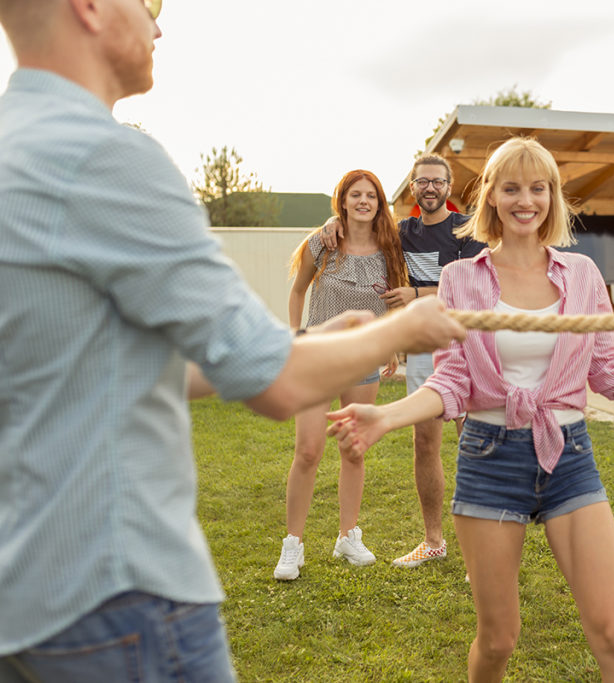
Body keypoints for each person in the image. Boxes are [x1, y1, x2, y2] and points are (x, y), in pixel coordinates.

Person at [0, 2, 465, 681]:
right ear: (91, 7)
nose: (160, 25)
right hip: (117, 595)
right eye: (151, 3)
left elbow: (104, 362)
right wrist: (407, 325)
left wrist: (325, 337)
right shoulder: (110, 157)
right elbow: (272, 379)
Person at [327, 137, 614, 681]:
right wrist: (386, 416)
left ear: (552, 196)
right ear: (493, 199)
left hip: (569, 458)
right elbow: (453, 380)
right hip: (489, 459)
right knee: (499, 640)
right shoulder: (461, 280)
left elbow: (607, 373)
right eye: (511, 188)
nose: (526, 199)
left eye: (538, 187)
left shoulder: (582, 276)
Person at [322, 154, 485, 567]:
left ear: (449, 187)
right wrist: (332, 223)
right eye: (422, 182)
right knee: (424, 444)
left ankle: (483, 551)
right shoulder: (401, 233)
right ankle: (434, 542)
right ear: (412, 188)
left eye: (437, 181)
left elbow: (474, 290)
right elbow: (360, 228)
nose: (430, 188)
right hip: (424, 354)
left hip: (470, 349)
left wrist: (417, 295)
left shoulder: (467, 231)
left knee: (479, 444)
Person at [273, 170, 408, 580]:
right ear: (343, 201)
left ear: (379, 203)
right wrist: (297, 338)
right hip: (317, 358)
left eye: (371, 195)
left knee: (353, 448)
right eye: (356, 195)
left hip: (362, 361)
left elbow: (394, 300)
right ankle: (292, 545)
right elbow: (298, 290)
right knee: (309, 451)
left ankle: (347, 536)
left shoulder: (390, 248)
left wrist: (390, 345)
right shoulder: (324, 242)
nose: (364, 201)